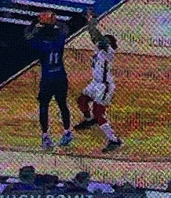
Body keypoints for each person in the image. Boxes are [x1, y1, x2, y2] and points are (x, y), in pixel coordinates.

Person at [29, 9, 72, 150]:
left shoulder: (40, 44)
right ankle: (67, 131)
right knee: (63, 105)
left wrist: (35, 22)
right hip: (60, 77)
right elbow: (65, 29)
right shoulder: (59, 40)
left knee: (44, 106)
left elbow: (28, 35)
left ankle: (45, 136)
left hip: (47, 79)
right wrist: (54, 20)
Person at [79, 31, 124, 152]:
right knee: (82, 100)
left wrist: (93, 27)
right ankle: (89, 120)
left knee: (98, 112)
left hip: (104, 86)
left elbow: (99, 39)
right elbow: (95, 37)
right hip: (95, 83)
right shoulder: (99, 50)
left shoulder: (108, 52)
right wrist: (90, 27)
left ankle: (114, 140)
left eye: (105, 41)